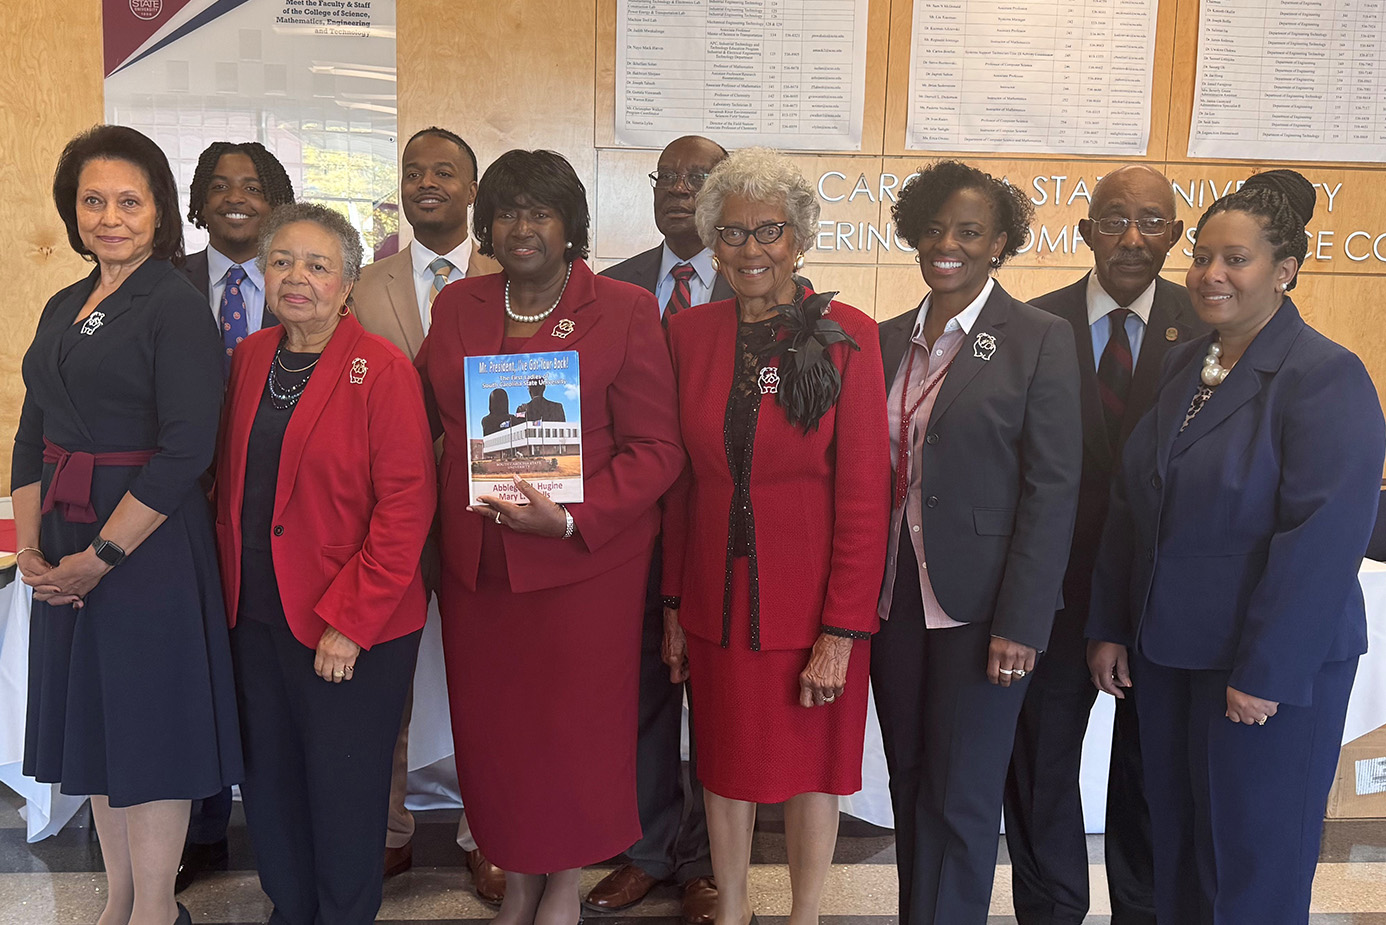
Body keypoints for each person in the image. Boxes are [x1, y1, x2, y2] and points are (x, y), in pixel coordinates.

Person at [1087, 172, 1385, 924]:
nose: (1211, 274)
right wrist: (1113, 624)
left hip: (1263, 675)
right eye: (1203, 256)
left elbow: (1319, 541)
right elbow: (1136, 501)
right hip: (1173, 658)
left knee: (1253, 866)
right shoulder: (1194, 366)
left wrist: (1265, 671)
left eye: (1237, 259)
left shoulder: (1325, 376)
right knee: (1182, 856)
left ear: (1284, 271)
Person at [416, 148, 684, 925]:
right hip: (481, 569)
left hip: (581, 569)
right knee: (495, 735)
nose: (522, 226)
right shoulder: (458, 305)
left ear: (571, 225)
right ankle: (519, 875)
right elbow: (426, 413)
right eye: (507, 210)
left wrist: (571, 517)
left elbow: (658, 450)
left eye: (540, 210)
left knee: (572, 737)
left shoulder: (626, 308)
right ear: (488, 224)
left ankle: (560, 881)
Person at [12, 124, 241, 925]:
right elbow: (33, 432)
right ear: (72, 211)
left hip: (145, 548)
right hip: (68, 537)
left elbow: (186, 450)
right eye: (93, 201)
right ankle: (118, 901)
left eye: (129, 201)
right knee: (100, 735)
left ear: (159, 211)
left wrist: (102, 555)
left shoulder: (175, 304)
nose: (111, 217)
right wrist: (34, 545)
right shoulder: (65, 302)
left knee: (153, 735)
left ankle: (155, 908)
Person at [660, 147, 890, 925]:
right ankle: (730, 908)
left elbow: (866, 492)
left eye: (769, 231)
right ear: (710, 241)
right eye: (731, 233)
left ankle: (805, 914)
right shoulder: (688, 335)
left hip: (811, 607)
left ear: (798, 239)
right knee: (722, 763)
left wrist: (842, 630)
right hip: (716, 603)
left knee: (811, 771)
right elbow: (682, 485)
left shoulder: (845, 335)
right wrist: (672, 605)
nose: (750, 249)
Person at [871, 160, 1082, 925]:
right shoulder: (885, 338)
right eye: (933, 228)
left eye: (968, 231)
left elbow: (1053, 489)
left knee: (963, 796)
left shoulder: (1038, 339)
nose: (946, 244)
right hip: (895, 603)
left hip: (985, 610)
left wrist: (1023, 624)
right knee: (910, 785)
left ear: (1000, 242)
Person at [214, 202, 436, 924]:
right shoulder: (249, 359)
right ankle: (291, 907)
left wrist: (351, 620)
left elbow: (406, 509)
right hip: (255, 614)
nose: (296, 278)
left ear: (348, 284)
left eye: (318, 265)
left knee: (343, 794)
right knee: (270, 783)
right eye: (282, 262)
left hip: (346, 626)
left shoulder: (383, 370)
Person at [1003, 164, 1204, 925]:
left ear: (1176, 237)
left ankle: (1143, 914)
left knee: (1151, 775)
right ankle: (1050, 911)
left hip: (1161, 597)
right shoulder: (1031, 325)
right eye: (1114, 219)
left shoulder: (1210, 326)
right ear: (1084, 232)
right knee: (1041, 770)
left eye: (1151, 220)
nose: (1132, 236)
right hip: (1052, 596)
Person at [351, 124, 504, 896]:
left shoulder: (515, 275)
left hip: (488, 515)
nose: (426, 183)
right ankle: (388, 831)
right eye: (414, 172)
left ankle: (488, 833)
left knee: (485, 678)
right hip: (392, 514)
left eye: (445, 171)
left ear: (473, 189)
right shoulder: (365, 285)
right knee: (388, 677)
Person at [585, 133, 731, 925]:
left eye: (697, 176)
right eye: (666, 177)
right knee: (641, 695)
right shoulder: (610, 289)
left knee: (715, 699)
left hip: (719, 533)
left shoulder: (769, 287)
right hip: (630, 533)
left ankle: (709, 862)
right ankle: (643, 851)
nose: (679, 189)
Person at [175, 139, 295, 892]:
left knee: (259, 662)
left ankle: (280, 816)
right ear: (197, 201)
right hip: (182, 505)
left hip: (272, 506)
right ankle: (202, 827)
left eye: (252, 185)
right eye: (218, 186)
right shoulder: (165, 282)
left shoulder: (301, 281)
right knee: (195, 664)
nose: (235, 197)